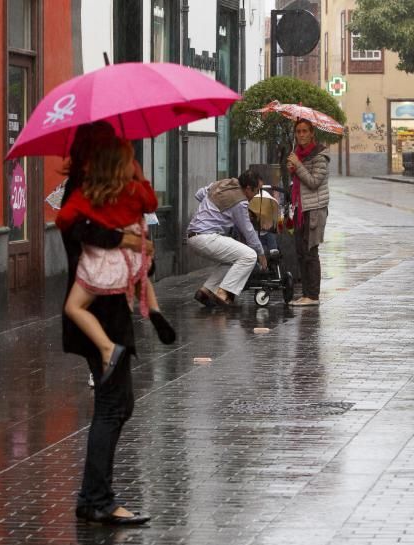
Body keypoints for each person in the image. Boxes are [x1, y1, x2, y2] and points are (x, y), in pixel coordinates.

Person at [59, 121, 152, 526]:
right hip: (101, 316)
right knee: (112, 407)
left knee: (119, 405)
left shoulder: (98, 193)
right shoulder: (85, 199)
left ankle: (92, 496)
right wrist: (123, 239)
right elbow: (80, 230)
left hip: (109, 313)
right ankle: (97, 499)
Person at [57, 134, 175, 387]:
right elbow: (151, 202)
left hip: (99, 265)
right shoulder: (132, 189)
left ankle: (107, 349)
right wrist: (140, 177)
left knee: (74, 307)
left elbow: (64, 220)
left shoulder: (88, 192)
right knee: (140, 276)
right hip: (131, 257)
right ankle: (154, 310)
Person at [187, 169, 268, 306]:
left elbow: (199, 194)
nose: (257, 195)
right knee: (249, 256)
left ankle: (206, 291)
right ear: (248, 188)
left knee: (232, 260)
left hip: (192, 236)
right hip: (207, 237)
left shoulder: (223, 184)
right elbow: (248, 232)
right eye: (257, 191)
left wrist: (213, 209)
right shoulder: (240, 202)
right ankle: (224, 292)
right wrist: (261, 253)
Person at [287, 119, 330, 306]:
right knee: (300, 252)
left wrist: (297, 166)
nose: (301, 134)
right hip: (299, 209)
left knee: (311, 252)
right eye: (298, 131)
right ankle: (305, 294)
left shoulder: (320, 155)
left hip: (314, 210)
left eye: (305, 131)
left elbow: (313, 182)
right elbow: (299, 181)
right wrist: (292, 169)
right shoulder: (298, 154)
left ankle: (312, 295)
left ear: (312, 133)